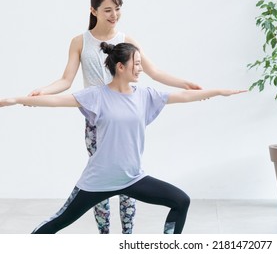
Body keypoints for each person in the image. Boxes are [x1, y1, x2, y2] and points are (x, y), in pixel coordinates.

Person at [0, 42, 246, 234]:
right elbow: (55, 101)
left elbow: (183, 97)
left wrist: (218, 92)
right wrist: (16, 99)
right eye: (136, 64)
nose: (140, 68)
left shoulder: (146, 95)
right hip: (97, 181)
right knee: (58, 222)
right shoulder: (96, 95)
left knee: (181, 200)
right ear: (121, 67)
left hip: (132, 178)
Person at [29, 0, 202, 234]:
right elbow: (66, 80)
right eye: (108, 10)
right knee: (101, 185)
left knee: (128, 180)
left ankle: (127, 237)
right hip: (97, 121)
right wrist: (43, 91)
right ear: (93, 10)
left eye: (118, 9)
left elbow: (154, 71)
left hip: (125, 117)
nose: (114, 15)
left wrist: (184, 84)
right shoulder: (80, 41)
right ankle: (105, 237)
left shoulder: (126, 39)